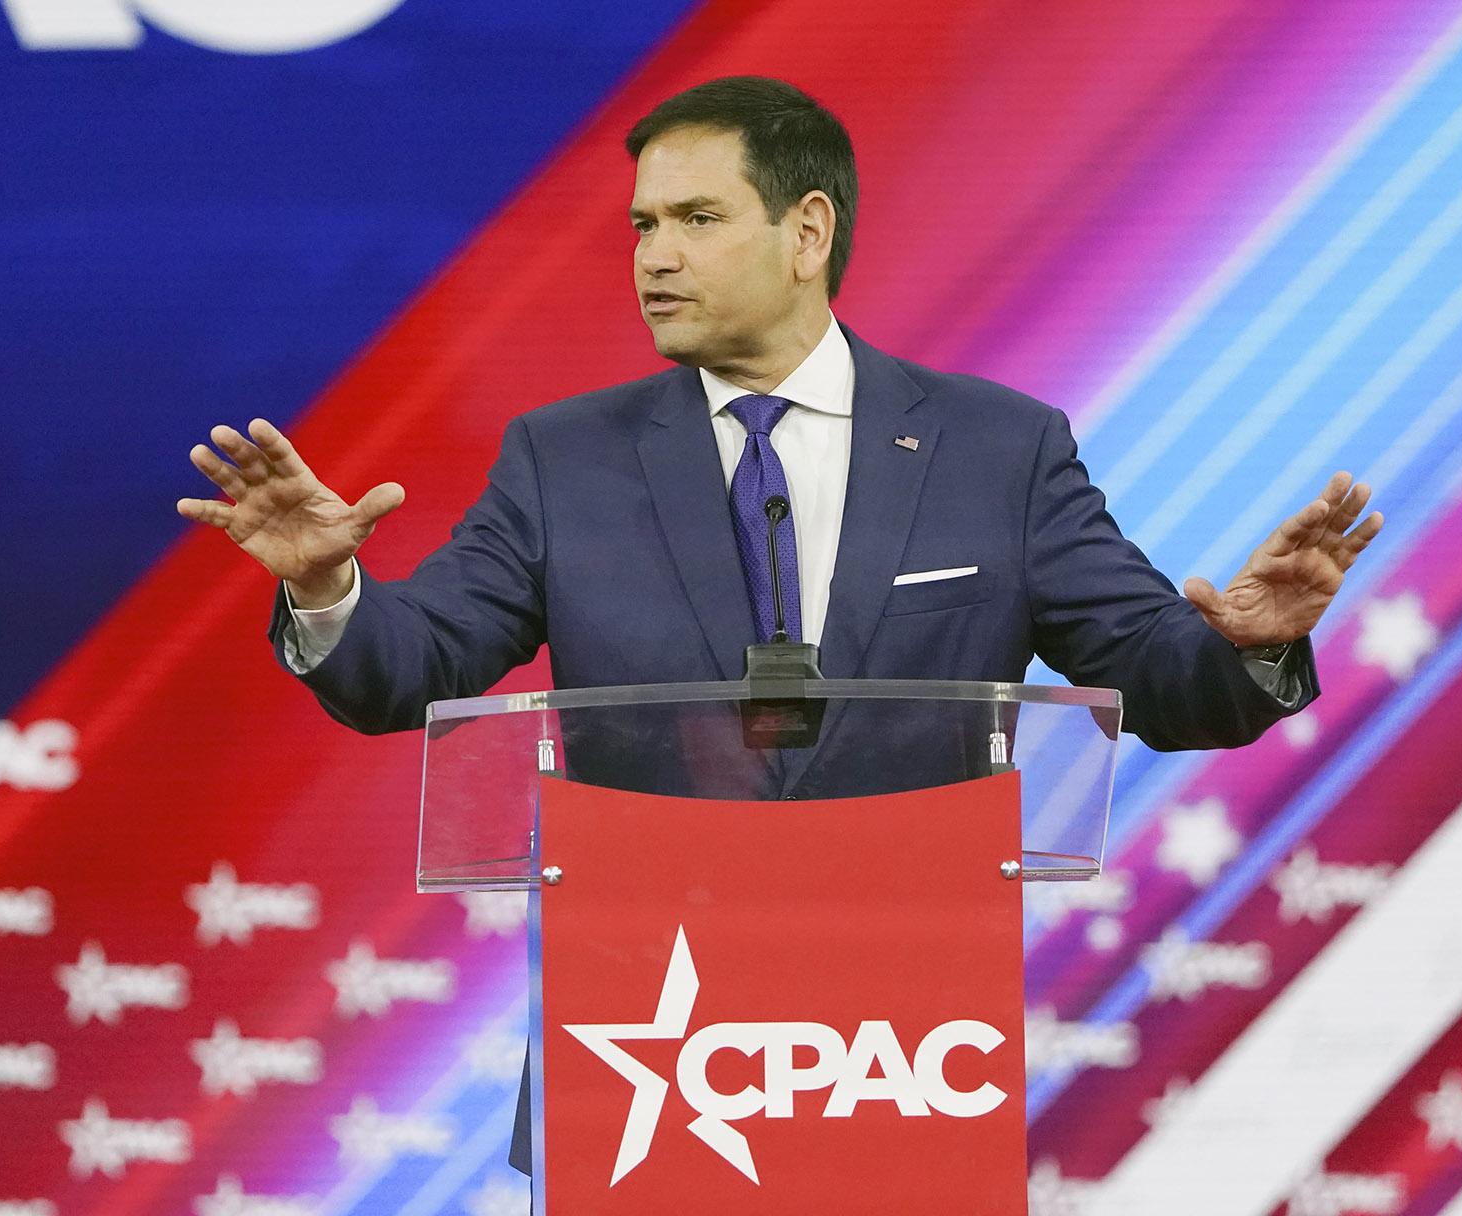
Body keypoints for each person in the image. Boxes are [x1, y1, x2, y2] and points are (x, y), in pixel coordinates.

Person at [176, 75, 1382, 1174]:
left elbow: (1157, 676)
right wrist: (327, 591)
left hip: (905, 1057)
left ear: (808, 232)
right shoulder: (564, 460)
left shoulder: (997, 450)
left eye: (697, 220)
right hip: (647, 1053)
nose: (654, 255)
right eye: (643, 225)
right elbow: (409, 669)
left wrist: (1249, 644)